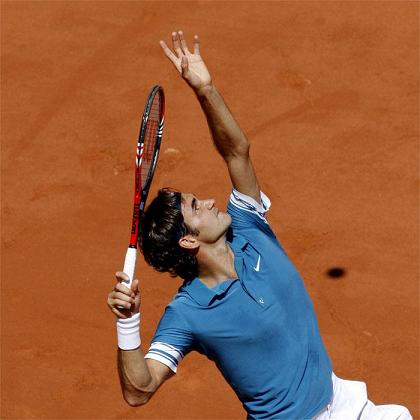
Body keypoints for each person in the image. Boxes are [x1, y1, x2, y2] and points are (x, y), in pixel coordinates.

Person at [107, 31, 412, 420]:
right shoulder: (188, 313)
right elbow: (139, 390)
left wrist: (206, 90)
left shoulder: (250, 228)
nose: (212, 201)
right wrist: (128, 322)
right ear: (188, 240)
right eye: (196, 206)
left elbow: (237, 151)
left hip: (348, 404)